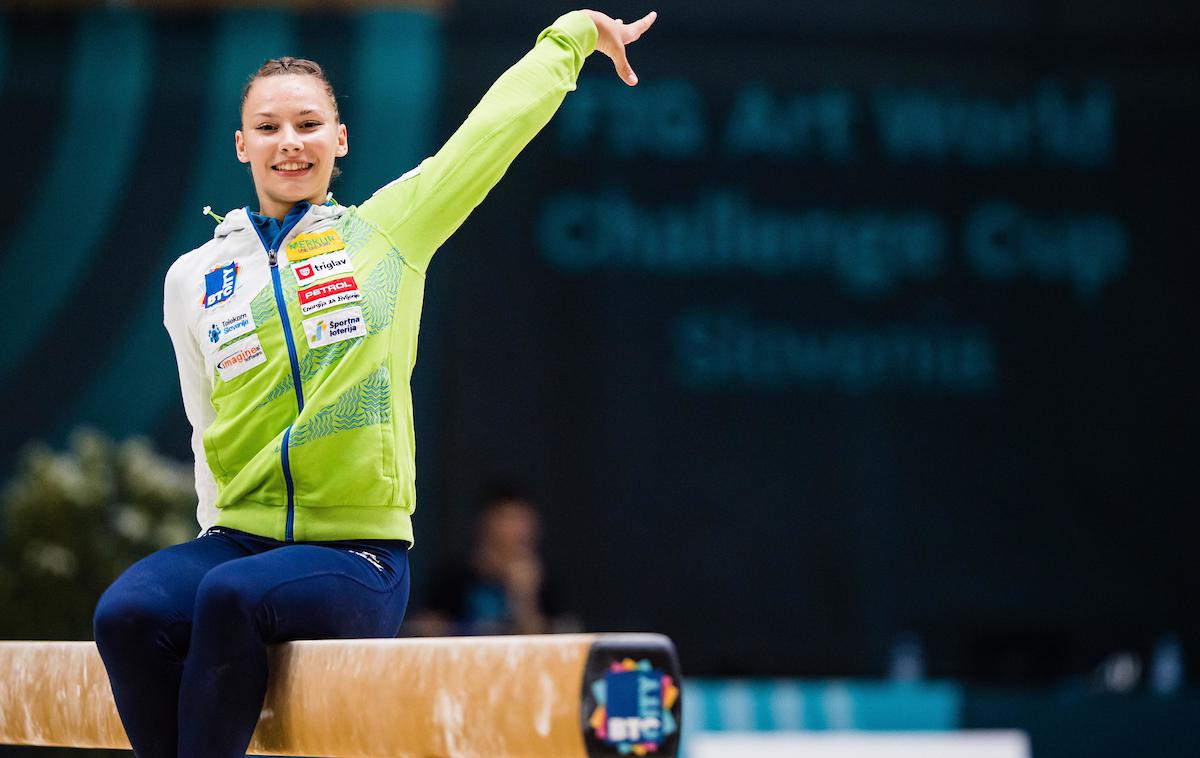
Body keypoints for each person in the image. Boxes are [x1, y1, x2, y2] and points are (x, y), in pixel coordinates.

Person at [90, 9, 657, 757]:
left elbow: (488, 136)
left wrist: (571, 37)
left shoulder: (388, 235)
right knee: (124, 615)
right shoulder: (196, 278)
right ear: (240, 145)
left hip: (357, 558)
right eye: (267, 127)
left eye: (308, 123)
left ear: (340, 139)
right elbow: (204, 421)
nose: (289, 142)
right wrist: (211, 531)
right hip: (235, 542)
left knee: (227, 597)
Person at [412, 483, 580, 636]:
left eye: (524, 521)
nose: (519, 531)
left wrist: (525, 599)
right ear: (486, 522)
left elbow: (551, 646)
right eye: (510, 519)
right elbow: (424, 630)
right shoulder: (453, 578)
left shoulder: (544, 582)